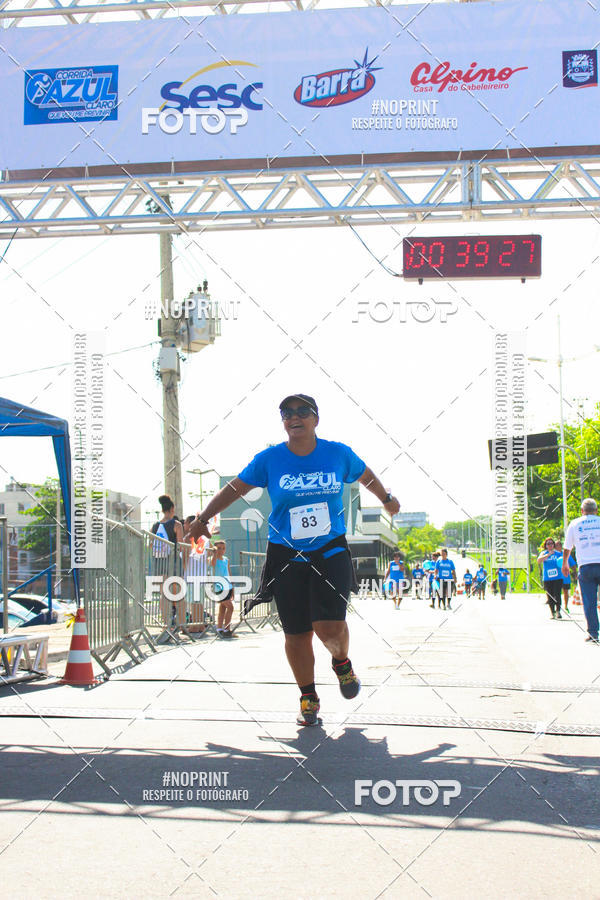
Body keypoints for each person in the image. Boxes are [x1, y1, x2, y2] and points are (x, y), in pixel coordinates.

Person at [187, 393, 400, 726]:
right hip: (285, 553)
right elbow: (235, 488)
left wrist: (386, 499)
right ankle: (308, 697)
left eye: (303, 411)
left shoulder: (337, 454)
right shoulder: (270, 459)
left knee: (328, 626)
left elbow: (365, 474)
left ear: (316, 418)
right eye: (287, 413)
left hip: (329, 548)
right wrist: (204, 517)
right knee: (296, 633)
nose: (294, 417)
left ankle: (341, 662)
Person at [563, 498, 600, 643]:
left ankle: (593, 633)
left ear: (582, 511)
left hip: (586, 567)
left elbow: (567, 547)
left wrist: (565, 564)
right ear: (596, 510)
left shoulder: (575, 524)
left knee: (589, 601)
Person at [151, 494, 184, 628]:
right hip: (174, 562)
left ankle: (166, 625)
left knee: (164, 594)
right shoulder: (176, 524)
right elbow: (181, 545)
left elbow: (151, 545)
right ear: (172, 508)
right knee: (178, 594)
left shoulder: (155, 526)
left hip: (160, 562)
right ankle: (182, 625)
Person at [208, 539, 237, 638]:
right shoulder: (213, 559)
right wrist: (214, 553)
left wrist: (232, 587)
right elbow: (212, 564)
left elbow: (228, 573)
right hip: (219, 587)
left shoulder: (226, 560)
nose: (221, 550)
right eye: (219, 548)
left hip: (227, 586)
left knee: (223, 608)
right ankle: (227, 629)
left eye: (223, 548)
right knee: (230, 607)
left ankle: (219, 629)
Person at [537, 537, 563, 619]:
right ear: (546, 545)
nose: (550, 545)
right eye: (548, 544)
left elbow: (563, 561)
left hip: (557, 577)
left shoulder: (558, 553)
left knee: (557, 594)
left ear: (554, 545)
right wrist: (548, 554)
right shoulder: (543, 553)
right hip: (548, 578)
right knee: (550, 595)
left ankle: (558, 611)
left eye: (551, 543)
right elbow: (539, 561)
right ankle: (552, 612)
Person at [554, 540, 575, 613]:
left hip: (565, 576)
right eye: (555, 545)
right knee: (557, 592)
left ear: (560, 546)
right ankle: (557, 607)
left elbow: (573, 564)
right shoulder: (553, 554)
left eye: (558, 545)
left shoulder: (566, 554)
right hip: (556, 577)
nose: (557, 547)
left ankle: (566, 606)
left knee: (566, 591)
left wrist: (575, 573)